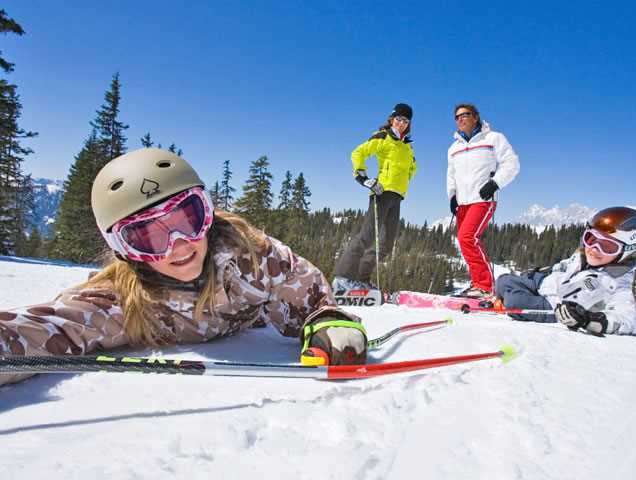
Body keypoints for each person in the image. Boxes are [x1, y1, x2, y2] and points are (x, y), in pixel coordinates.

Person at [0, 148, 367, 387]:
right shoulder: (122, 300)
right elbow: (50, 327)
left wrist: (326, 322)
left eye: (186, 218)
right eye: (147, 236)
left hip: (253, 322)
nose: (178, 245)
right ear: (124, 251)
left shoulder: (251, 258)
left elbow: (308, 293)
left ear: (207, 213)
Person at [494, 206, 636, 336]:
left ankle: (509, 299)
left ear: (627, 251)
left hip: (556, 307)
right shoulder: (581, 256)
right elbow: (563, 266)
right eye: (591, 239)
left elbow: (629, 319)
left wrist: (588, 320)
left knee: (514, 303)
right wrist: (540, 272)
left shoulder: (618, 283)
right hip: (548, 284)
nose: (594, 249)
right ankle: (507, 295)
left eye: (607, 246)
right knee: (503, 280)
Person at [333, 103, 417, 291]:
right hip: (381, 192)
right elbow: (358, 153)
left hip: (397, 196)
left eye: (405, 120)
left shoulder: (407, 146)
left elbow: (413, 167)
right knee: (367, 236)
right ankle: (343, 278)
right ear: (392, 119)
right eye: (398, 119)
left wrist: (404, 181)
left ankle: (362, 279)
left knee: (386, 244)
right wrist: (363, 177)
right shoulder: (383, 137)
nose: (401, 123)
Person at [447, 103, 520, 299]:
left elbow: (512, 163)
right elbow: (451, 174)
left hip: (483, 199)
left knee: (467, 238)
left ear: (476, 117)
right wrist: (452, 195)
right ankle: (476, 284)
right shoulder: (454, 147)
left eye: (465, 114)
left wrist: (495, 183)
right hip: (462, 202)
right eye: (457, 116)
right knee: (465, 243)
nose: (461, 118)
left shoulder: (493, 138)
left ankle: (485, 285)